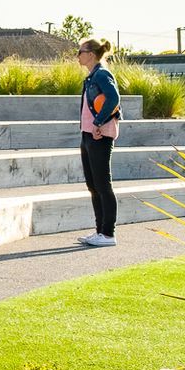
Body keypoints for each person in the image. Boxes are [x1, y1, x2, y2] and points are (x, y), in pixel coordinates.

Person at [77, 37, 122, 247]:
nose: (77, 55)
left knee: (103, 184)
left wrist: (98, 122)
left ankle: (108, 233)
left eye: (80, 52)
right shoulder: (92, 76)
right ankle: (99, 232)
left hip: (99, 134)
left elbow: (113, 99)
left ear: (91, 54)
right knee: (93, 184)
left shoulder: (102, 74)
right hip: (88, 134)